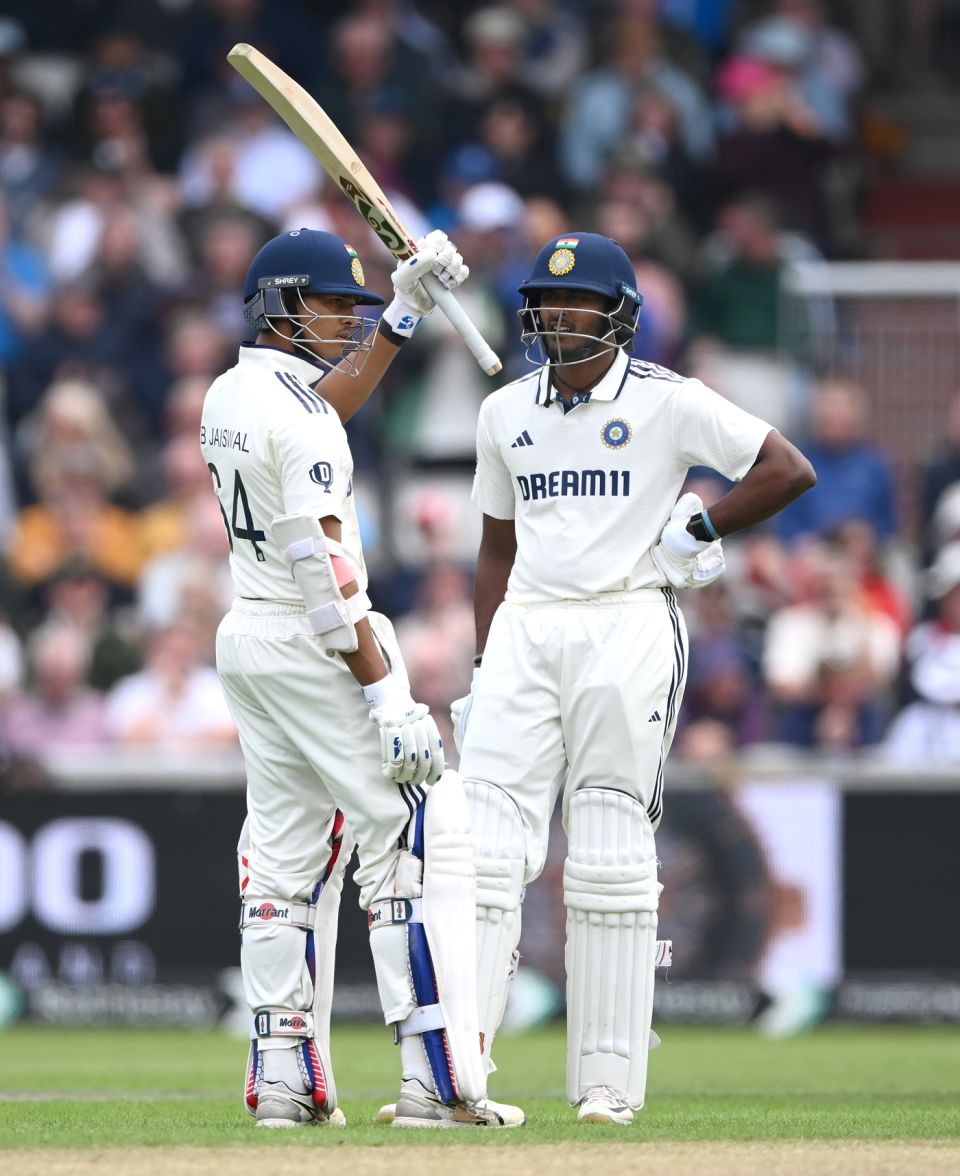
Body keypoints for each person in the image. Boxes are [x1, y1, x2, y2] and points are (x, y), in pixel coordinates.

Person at [450, 232, 815, 1124]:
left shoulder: (669, 401)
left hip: (627, 620)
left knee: (611, 852)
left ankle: (607, 1081)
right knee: (487, 853)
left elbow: (786, 468)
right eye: (543, 304)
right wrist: (485, 657)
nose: (554, 319)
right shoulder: (503, 413)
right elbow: (495, 549)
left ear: (618, 318)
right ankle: (457, 1076)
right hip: (530, 626)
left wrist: (703, 529)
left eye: (573, 305)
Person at [201, 226, 523, 1130]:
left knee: (282, 858)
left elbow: (321, 413)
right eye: (330, 304)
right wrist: (388, 694)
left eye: (355, 304)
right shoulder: (296, 419)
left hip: (250, 637)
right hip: (315, 640)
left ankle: (285, 1086)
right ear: (277, 305)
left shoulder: (232, 393)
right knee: (414, 826)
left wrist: (406, 312)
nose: (348, 320)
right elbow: (325, 574)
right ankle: (438, 1083)